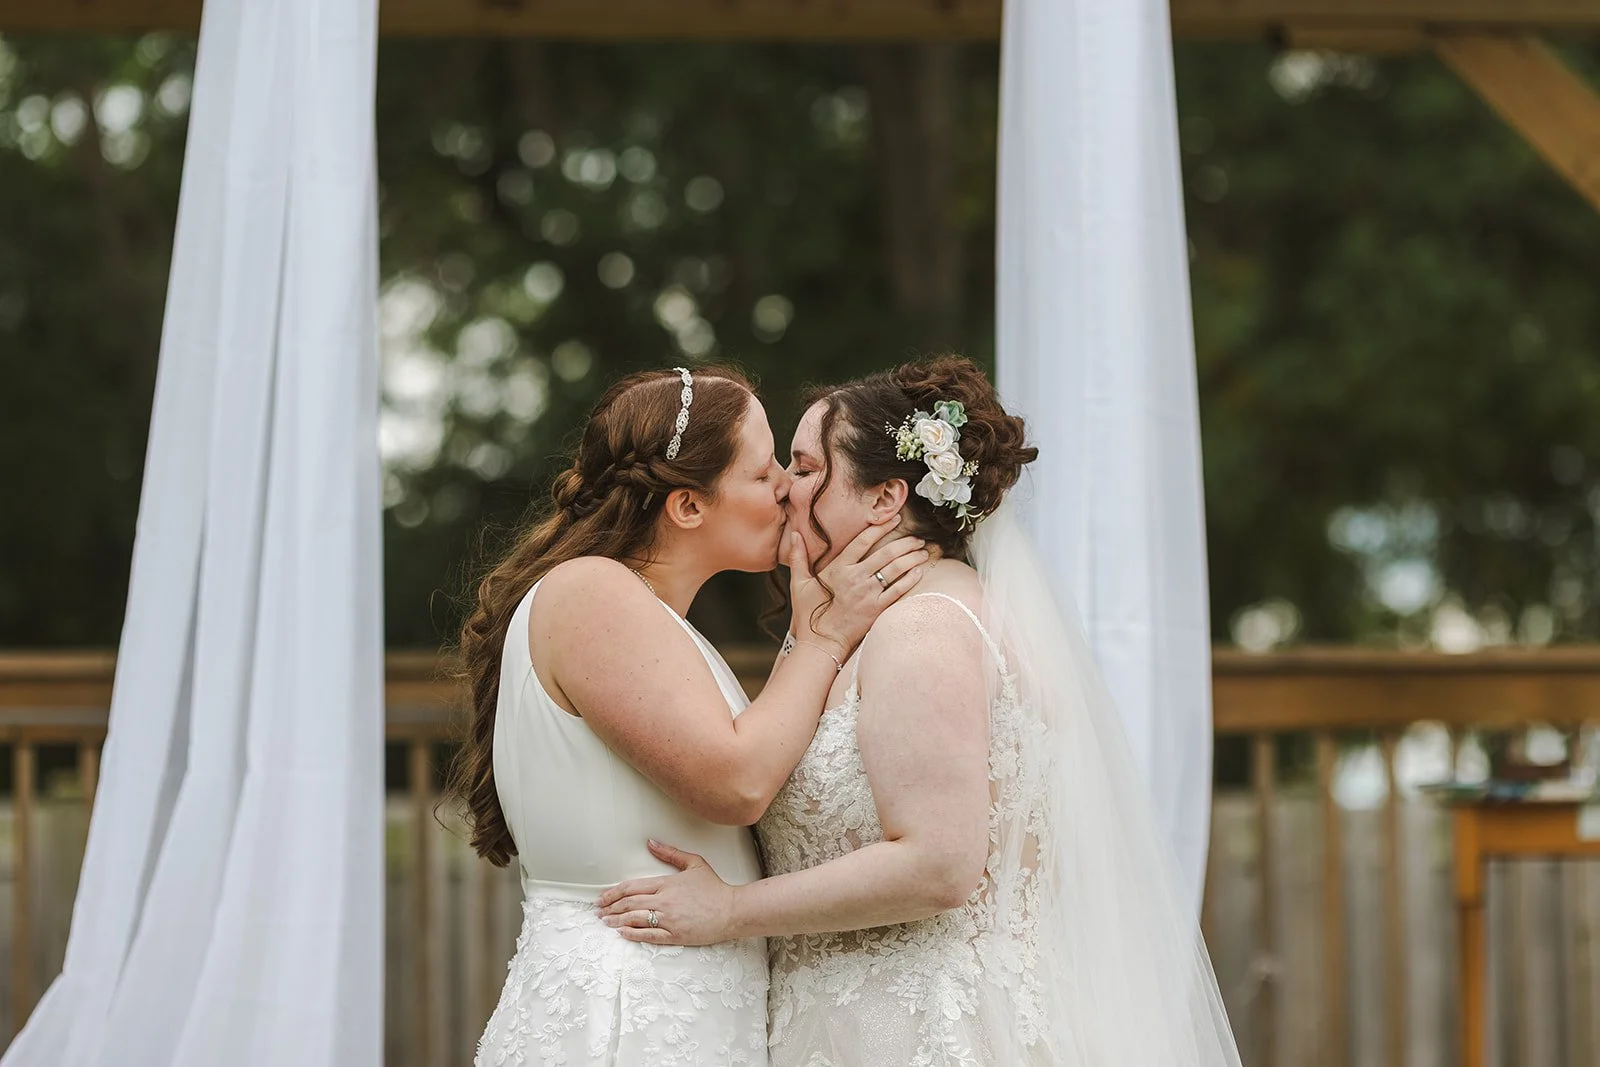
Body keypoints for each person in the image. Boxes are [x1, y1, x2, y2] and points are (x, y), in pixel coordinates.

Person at [598, 356, 1243, 1066]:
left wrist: (728, 912)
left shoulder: (924, 627)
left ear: (884, 499)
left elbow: (940, 863)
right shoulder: (862, 623)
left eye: (808, 468)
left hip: (926, 1027)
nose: (784, 487)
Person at [448, 365, 929, 1067]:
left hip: (678, 1004)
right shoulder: (592, 592)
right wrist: (825, 636)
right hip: (623, 1013)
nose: (788, 490)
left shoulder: (660, 622)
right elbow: (735, 781)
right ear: (689, 507)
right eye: (764, 473)